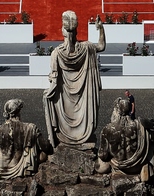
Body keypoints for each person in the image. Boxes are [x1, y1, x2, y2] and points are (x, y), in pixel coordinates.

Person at [43, 12, 106, 147]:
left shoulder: (56, 53)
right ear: (76, 31)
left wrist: (47, 95)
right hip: (84, 104)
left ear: (63, 31)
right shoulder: (87, 48)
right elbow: (101, 46)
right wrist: (101, 28)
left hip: (64, 105)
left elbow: (54, 83)